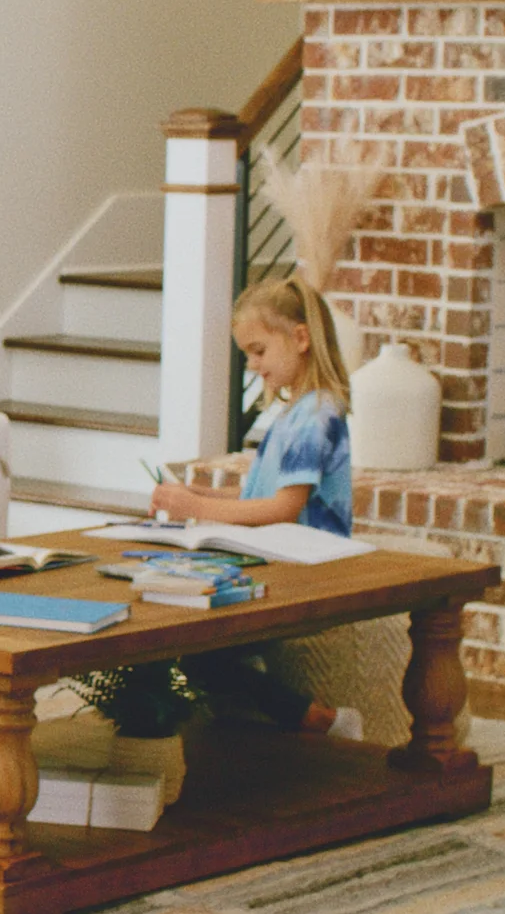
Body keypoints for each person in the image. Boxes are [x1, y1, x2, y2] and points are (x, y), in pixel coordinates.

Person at [148, 274, 359, 735]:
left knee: (199, 650)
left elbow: (283, 509)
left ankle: (316, 718)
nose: (253, 365)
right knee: (188, 640)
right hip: (279, 556)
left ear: (300, 338)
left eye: (259, 351)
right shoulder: (293, 413)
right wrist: (197, 496)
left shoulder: (317, 415)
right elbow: (258, 499)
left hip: (304, 566)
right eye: (248, 354)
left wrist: (192, 506)